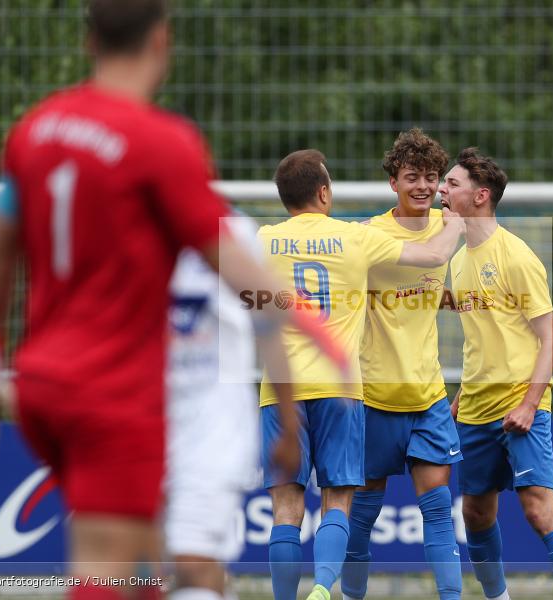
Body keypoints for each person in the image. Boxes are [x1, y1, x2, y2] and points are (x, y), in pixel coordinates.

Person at [0, 2, 339, 598]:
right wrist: (315, 329)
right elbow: (233, 265)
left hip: (43, 383)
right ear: (161, 40)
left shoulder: (35, 129)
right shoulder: (158, 144)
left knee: (143, 559)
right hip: (113, 391)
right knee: (111, 567)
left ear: (89, 40)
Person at [259, 149, 464, 600]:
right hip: (342, 388)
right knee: (338, 499)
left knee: (286, 508)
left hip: (280, 391)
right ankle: (323, 586)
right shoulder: (356, 237)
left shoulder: (262, 239)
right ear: (325, 192)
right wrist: (456, 224)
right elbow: (433, 254)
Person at [439, 148, 553, 600]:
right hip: (475, 407)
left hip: (520, 404)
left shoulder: (517, 256)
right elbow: (484, 336)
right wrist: (463, 394)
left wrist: (529, 404)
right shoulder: (459, 257)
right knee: (476, 515)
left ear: (480, 195)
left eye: (452, 184)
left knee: (539, 510)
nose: (441, 191)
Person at [341, 129, 462, 600]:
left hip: (427, 396)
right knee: (362, 517)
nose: (422, 186)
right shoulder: (369, 236)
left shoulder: (450, 225)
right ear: (393, 181)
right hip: (374, 397)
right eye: (412, 177)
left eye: (431, 178)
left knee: (437, 512)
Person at [165, 212, 299, 600]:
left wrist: (290, 427)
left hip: (210, 432)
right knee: (139, 569)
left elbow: (269, 327)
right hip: (137, 425)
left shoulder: (235, 234)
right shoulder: (115, 229)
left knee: (193, 564)